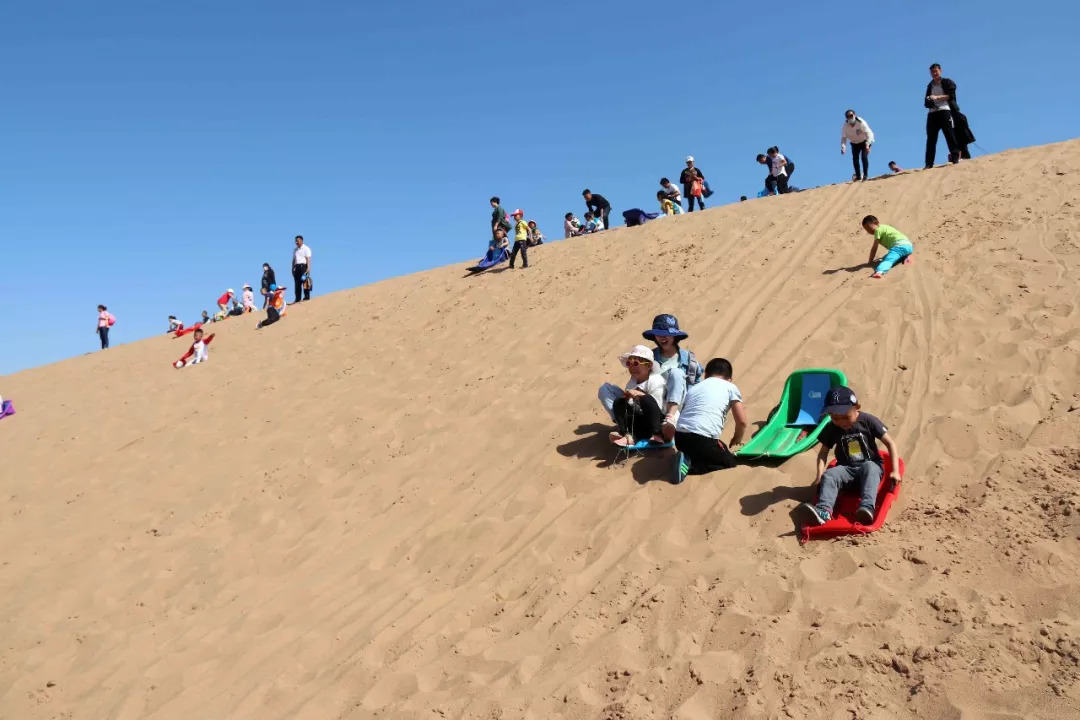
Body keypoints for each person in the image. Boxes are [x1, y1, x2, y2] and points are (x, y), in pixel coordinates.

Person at [796, 386, 902, 527]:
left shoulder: (868, 421)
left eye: (846, 417)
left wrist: (895, 471)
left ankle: (867, 508)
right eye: (835, 418)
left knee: (870, 467)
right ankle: (823, 511)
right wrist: (819, 476)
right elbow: (823, 453)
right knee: (831, 474)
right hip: (846, 470)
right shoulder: (832, 428)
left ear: (857, 407)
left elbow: (890, 443)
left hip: (869, 467)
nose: (841, 422)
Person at [671, 358, 748, 484]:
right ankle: (690, 467)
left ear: (705, 375)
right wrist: (737, 438)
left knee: (717, 447)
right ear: (730, 378)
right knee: (730, 462)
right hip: (702, 439)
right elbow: (742, 421)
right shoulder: (730, 387)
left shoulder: (694, 388)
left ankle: (687, 457)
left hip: (680, 438)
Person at [642, 314, 702, 440]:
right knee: (606, 390)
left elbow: (697, 385)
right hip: (654, 404)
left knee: (676, 373)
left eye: (666, 333)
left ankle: (670, 420)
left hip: (679, 408)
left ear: (675, 336)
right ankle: (626, 427)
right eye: (659, 334)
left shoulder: (689, 359)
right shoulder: (649, 357)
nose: (662, 337)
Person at [597, 345, 667, 447]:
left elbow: (657, 408)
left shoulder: (656, 380)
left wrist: (640, 396)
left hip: (655, 423)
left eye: (636, 363)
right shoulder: (633, 382)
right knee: (619, 401)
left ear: (648, 365)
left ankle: (656, 434)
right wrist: (628, 399)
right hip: (639, 422)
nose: (632, 367)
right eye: (629, 363)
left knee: (646, 399)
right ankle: (626, 433)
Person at [924, 63, 961, 169]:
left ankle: (955, 158)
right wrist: (929, 99)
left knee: (949, 135)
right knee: (931, 139)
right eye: (932, 72)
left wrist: (937, 97)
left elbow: (950, 96)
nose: (934, 73)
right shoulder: (930, 85)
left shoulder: (946, 82)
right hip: (932, 113)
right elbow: (925, 102)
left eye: (936, 71)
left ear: (940, 71)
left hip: (944, 110)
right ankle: (928, 163)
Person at [862, 215, 914, 279]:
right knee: (888, 256)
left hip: (899, 246)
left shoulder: (878, 230)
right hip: (908, 245)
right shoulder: (885, 227)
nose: (869, 231)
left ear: (877, 223)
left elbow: (874, 248)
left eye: (869, 228)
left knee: (888, 260)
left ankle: (879, 272)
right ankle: (907, 256)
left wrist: (870, 261)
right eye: (866, 230)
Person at [841, 110, 875, 181]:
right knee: (855, 160)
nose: (850, 118)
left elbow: (869, 133)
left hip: (864, 141)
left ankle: (865, 175)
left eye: (851, 115)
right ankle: (858, 176)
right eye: (848, 117)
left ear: (854, 115)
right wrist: (843, 147)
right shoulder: (845, 127)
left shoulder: (860, 122)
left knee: (864, 157)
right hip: (854, 144)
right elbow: (844, 138)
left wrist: (868, 144)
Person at [292, 235, 312, 304]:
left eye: (297, 241)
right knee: (297, 284)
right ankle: (297, 298)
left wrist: (308, 268)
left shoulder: (306, 248)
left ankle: (306, 297)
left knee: (305, 282)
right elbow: (293, 260)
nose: (296, 242)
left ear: (301, 240)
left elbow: (308, 259)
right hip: (296, 267)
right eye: (296, 241)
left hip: (303, 267)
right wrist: (292, 268)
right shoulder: (295, 250)